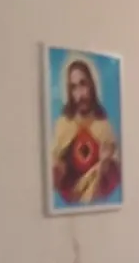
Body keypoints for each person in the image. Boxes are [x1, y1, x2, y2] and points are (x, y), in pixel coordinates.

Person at [50, 55, 121, 206]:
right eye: (74, 87)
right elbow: (55, 173)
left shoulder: (104, 126)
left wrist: (105, 164)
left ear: (92, 86)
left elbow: (115, 175)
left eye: (83, 84)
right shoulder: (63, 125)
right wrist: (59, 167)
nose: (80, 94)